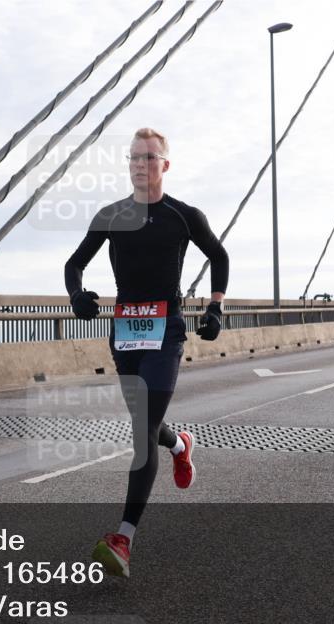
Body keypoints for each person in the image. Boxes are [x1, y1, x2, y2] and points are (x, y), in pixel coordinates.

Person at [64, 128, 229, 578]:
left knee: (141, 430)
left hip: (166, 331)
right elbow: (74, 264)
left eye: (149, 157)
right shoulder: (112, 215)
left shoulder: (183, 215)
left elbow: (219, 255)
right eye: (134, 158)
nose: (140, 165)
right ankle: (180, 444)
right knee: (148, 424)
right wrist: (78, 295)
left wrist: (215, 308)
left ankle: (123, 538)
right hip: (125, 333)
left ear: (165, 165)